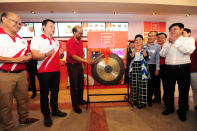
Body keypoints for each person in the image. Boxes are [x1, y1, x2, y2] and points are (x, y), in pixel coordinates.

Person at [0, 12, 39, 130]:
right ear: (4, 20)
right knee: (5, 104)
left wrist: (29, 57)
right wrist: (15, 59)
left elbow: (28, 54)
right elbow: (16, 59)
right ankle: (7, 126)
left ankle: (24, 119)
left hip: (22, 74)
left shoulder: (21, 39)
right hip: (4, 75)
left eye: (20, 23)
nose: (18, 25)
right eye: (15, 22)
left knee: (23, 100)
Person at [30, 19, 67, 127]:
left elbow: (60, 57)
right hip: (44, 71)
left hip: (56, 71)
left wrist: (61, 54)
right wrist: (46, 54)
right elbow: (34, 55)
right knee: (44, 95)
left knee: (55, 93)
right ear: (43, 27)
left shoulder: (56, 41)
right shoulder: (37, 39)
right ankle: (46, 115)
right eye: (51, 26)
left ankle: (55, 110)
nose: (53, 28)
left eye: (54, 27)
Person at [160, 23, 195, 121]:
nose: (172, 31)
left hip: (183, 68)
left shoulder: (188, 40)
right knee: (168, 90)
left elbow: (188, 51)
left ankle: (182, 111)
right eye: (171, 30)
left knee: (183, 91)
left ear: (182, 30)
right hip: (168, 68)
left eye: (175, 29)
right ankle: (169, 108)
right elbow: (162, 54)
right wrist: (168, 44)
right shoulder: (168, 42)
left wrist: (175, 42)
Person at [66, 25, 94, 114]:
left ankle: (80, 100)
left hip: (78, 65)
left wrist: (83, 63)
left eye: (82, 33)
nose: (82, 34)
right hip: (72, 66)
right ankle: (75, 105)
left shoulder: (80, 42)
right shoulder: (70, 42)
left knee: (81, 84)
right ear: (74, 33)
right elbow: (73, 56)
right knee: (74, 86)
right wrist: (85, 61)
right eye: (80, 33)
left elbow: (81, 55)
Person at [129, 35, 149, 108]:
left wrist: (142, 49)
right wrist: (134, 51)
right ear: (134, 42)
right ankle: (134, 100)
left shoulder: (146, 49)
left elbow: (147, 58)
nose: (138, 42)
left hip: (143, 69)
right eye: (136, 40)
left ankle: (142, 102)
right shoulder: (131, 49)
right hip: (134, 68)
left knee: (143, 85)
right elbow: (130, 58)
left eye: (140, 40)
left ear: (142, 41)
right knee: (134, 85)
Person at [145, 31, 161, 106]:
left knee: (152, 84)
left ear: (155, 37)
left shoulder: (157, 46)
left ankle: (150, 100)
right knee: (147, 84)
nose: (150, 37)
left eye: (152, 36)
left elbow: (158, 58)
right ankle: (147, 99)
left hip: (153, 66)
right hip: (144, 66)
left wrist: (157, 69)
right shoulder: (144, 45)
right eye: (149, 35)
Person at [183, 28, 197, 110]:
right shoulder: (179, 45)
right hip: (183, 71)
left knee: (196, 88)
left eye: (183, 33)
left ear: (189, 34)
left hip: (194, 70)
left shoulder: (195, 43)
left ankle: (196, 104)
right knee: (184, 90)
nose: (182, 35)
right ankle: (185, 105)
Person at [157, 33, 168, 107]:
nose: (160, 39)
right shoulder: (156, 47)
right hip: (157, 67)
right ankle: (157, 98)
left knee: (166, 85)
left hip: (165, 67)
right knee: (157, 84)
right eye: (159, 38)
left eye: (162, 37)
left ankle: (166, 99)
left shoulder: (168, 46)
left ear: (165, 38)